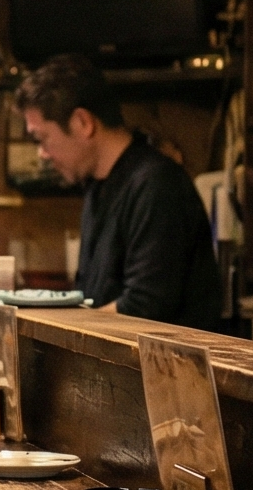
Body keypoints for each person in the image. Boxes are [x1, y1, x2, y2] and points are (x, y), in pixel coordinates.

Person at [15, 52, 227, 328]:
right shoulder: (98, 185)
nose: (42, 154)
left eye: (42, 138)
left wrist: (59, 326)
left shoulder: (156, 183)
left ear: (83, 123)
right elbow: (92, 296)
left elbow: (145, 307)